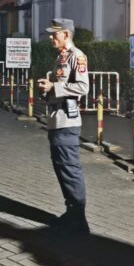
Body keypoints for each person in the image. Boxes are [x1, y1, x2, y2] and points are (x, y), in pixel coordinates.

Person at [36, 18, 90, 235]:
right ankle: (72, 213)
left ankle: (78, 219)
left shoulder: (77, 55)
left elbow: (83, 87)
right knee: (62, 167)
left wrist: (54, 87)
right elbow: (61, 86)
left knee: (69, 169)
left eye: (54, 33)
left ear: (66, 34)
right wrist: (47, 90)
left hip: (67, 121)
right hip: (57, 120)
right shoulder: (61, 57)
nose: (51, 37)